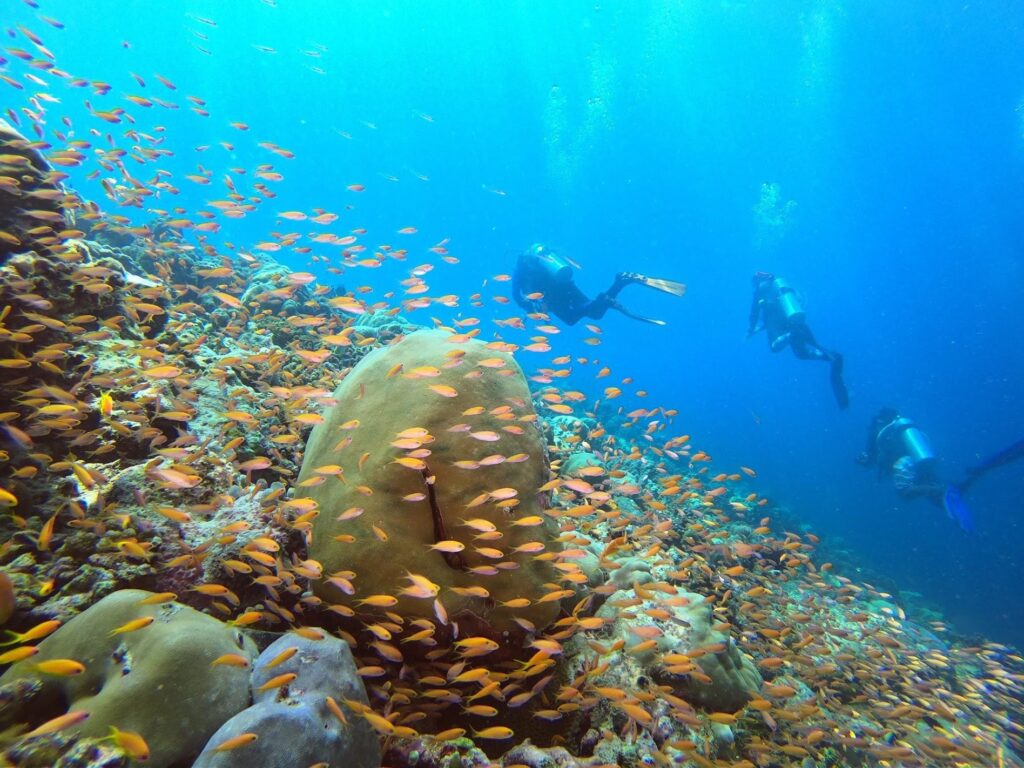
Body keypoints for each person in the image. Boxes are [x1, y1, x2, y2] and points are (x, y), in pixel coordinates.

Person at [857, 407, 973, 532]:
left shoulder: (879, 429)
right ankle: (955, 496)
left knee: (906, 492)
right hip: (919, 458)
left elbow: (870, 458)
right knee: (933, 491)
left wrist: (862, 460)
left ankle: (942, 489)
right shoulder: (903, 431)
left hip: (903, 462)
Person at [512, 243, 685, 326]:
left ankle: (608, 295)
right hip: (566, 286)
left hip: (551, 297)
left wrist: (533, 307)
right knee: (594, 313)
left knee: (571, 319)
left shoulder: (519, 271)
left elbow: (516, 297)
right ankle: (619, 283)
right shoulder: (543, 261)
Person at [747, 271, 849, 409]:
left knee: (774, 347)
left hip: (782, 328)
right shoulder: (781, 286)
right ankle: (834, 358)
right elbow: (800, 300)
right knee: (804, 353)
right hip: (797, 322)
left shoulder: (760, 290)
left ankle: (791, 336)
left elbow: (754, 313)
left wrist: (751, 329)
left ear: (756, 281)